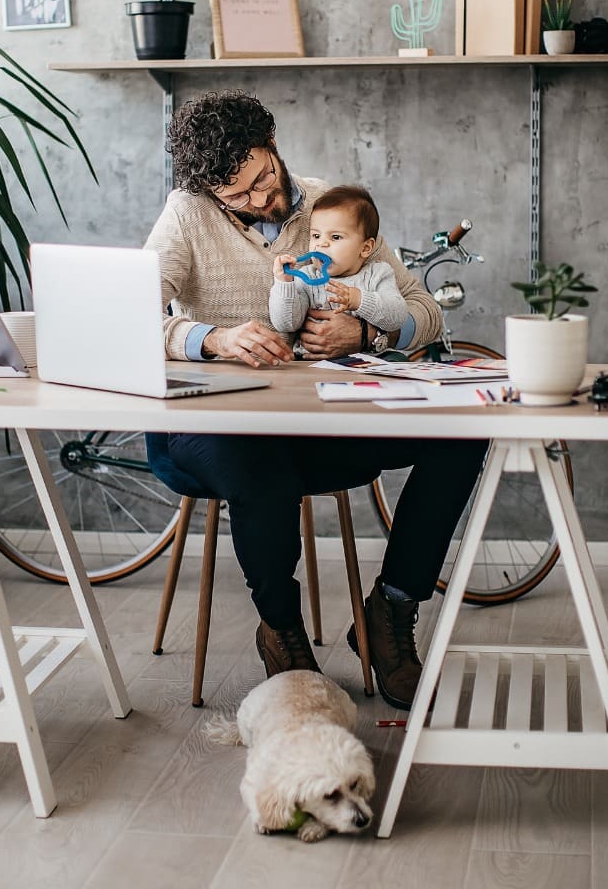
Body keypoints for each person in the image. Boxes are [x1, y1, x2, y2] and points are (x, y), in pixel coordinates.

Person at [144, 89, 487, 709]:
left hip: (321, 419)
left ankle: (391, 610)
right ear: (210, 194)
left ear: (272, 149)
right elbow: (120, 317)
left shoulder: (332, 208)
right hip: (216, 427)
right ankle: (282, 630)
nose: (259, 202)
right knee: (258, 468)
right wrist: (211, 338)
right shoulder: (186, 215)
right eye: (238, 197)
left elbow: (426, 312)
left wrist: (370, 331)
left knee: (463, 432)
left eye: (262, 180)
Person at [269, 184, 410, 344]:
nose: (321, 244)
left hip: (367, 363)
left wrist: (359, 300)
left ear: (365, 248)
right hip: (312, 364)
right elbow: (286, 324)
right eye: (316, 235)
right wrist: (284, 283)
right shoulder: (307, 277)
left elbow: (397, 317)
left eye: (335, 237)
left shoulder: (378, 274)